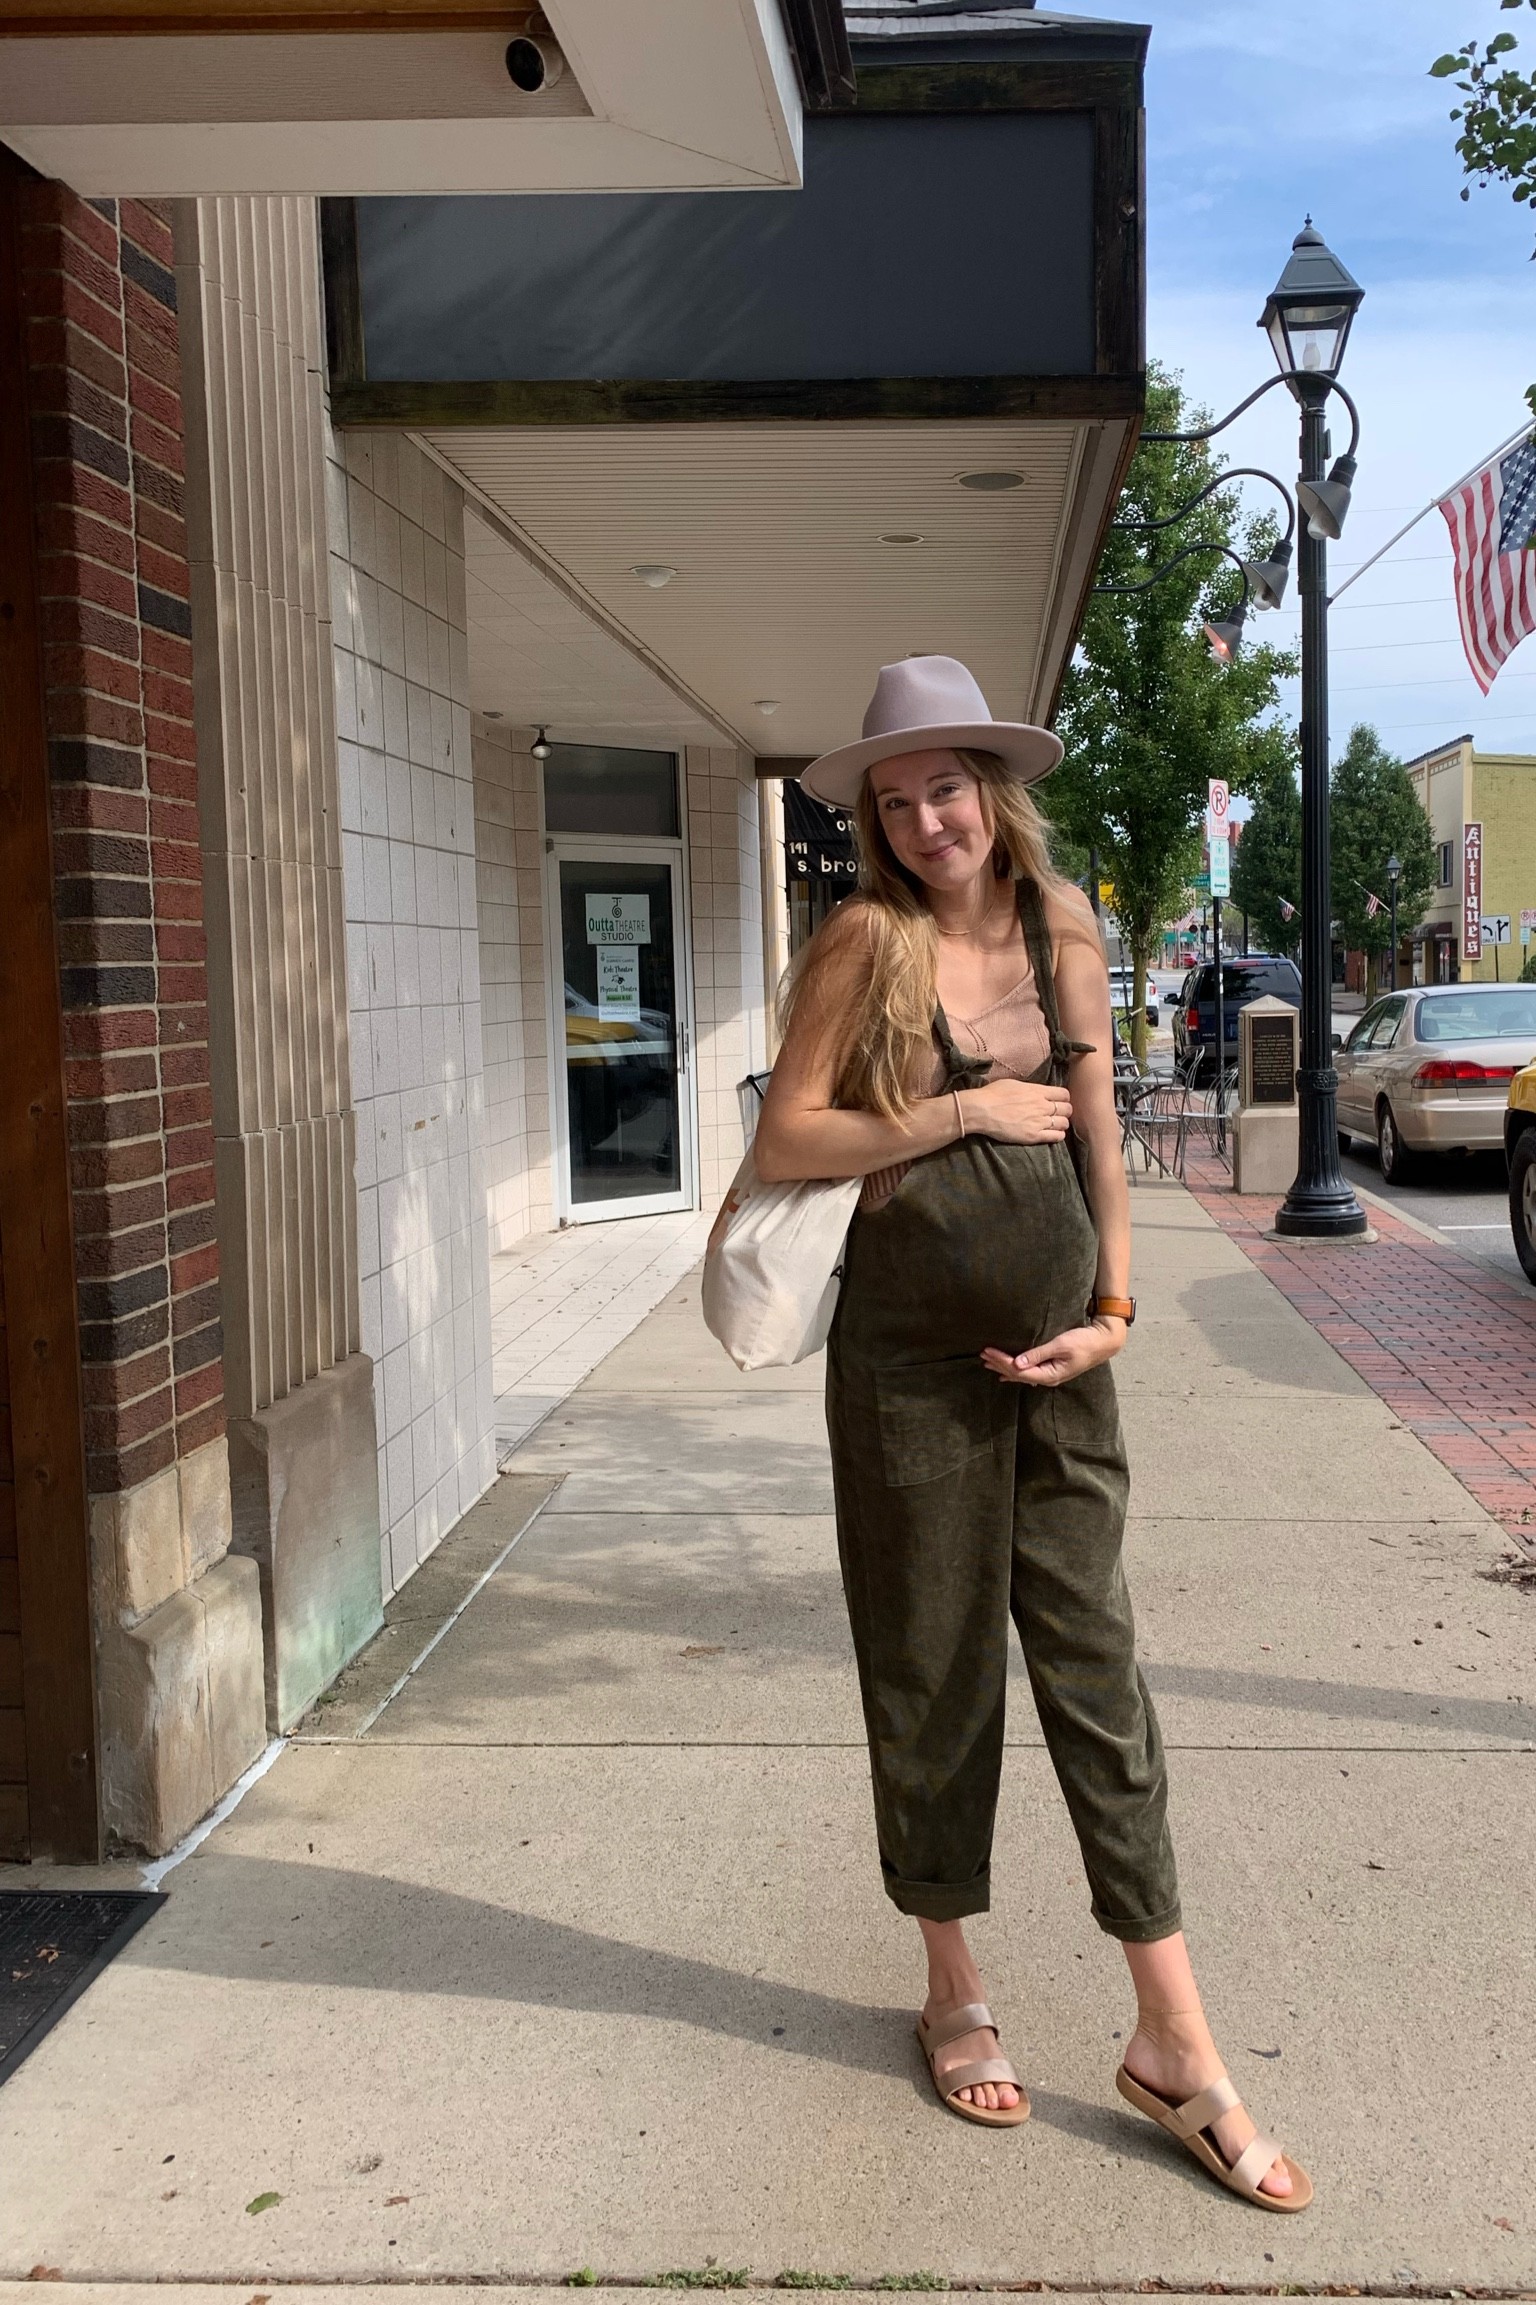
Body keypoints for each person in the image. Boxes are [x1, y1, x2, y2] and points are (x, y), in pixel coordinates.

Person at [753, 657, 1310, 2214]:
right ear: (874, 816)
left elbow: (1105, 1135)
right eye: (895, 795)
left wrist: (1118, 1305)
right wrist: (954, 1115)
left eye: (947, 786)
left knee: (1097, 1671)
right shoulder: (866, 940)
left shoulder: (1067, 930)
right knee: (932, 1666)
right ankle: (949, 1976)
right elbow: (788, 1134)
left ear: (995, 792)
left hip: (1063, 1360)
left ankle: (1174, 2036)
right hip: (908, 1366)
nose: (926, 818)